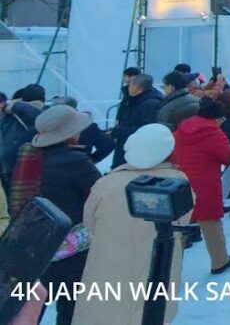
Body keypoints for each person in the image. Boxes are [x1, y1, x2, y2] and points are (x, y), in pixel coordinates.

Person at [76, 124, 190, 325]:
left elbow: (89, 222)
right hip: (158, 261)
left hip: (108, 261)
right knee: (151, 312)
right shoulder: (178, 181)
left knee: (104, 312)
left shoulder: (106, 183)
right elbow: (184, 219)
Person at [10, 105, 101, 325]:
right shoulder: (77, 161)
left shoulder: (26, 155)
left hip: (36, 242)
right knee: (70, 304)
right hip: (70, 244)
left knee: (31, 305)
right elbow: (98, 195)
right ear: (70, 133)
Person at [174, 96, 230, 274]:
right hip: (205, 183)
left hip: (182, 181)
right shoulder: (213, 133)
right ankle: (219, 261)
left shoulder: (182, 128)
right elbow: (227, 156)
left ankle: (170, 268)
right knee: (211, 224)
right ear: (217, 118)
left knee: (179, 226)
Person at [111, 73, 163, 168]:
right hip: (126, 146)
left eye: (129, 84)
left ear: (137, 87)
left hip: (136, 151)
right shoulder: (133, 99)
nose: (127, 87)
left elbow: (145, 129)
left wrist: (118, 131)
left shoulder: (149, 104)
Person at [49, 96, 114, 165]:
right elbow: (108, 145)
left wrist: (91, 160)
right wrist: (91, 161)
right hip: (79, 167)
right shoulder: (89, 126)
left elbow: (108, 145)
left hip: (53, 167)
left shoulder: (47, 127)